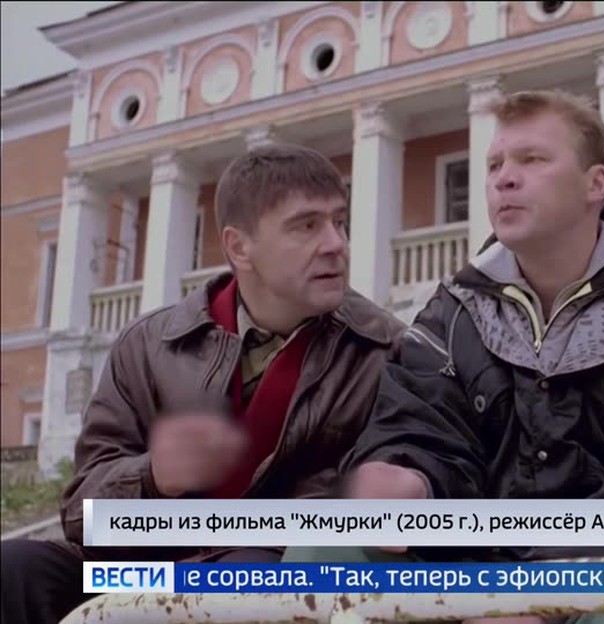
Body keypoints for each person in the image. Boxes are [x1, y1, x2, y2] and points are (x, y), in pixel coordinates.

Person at [284, 90, 604, 624]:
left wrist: (541, 598)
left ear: (595, 184)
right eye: (495, 165)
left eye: (532, 159)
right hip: (471, 570)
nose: (504, 179)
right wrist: (408, 475)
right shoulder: (454, 310)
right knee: (323, 548)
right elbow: (417, 425)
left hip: (601, 580)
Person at [0, 143, 406, 624]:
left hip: (268, 569)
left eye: (339, 222)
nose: (336, 243)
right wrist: (153, 476)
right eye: (306, 226)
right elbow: (82, 517)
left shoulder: (384, 351)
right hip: (141, 571)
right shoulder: (148, 345)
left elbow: (366, 509)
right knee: (15, 568)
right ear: (239, 247)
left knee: (244, 580)